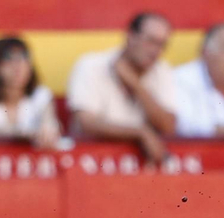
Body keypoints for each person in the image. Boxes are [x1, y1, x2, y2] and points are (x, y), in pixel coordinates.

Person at [67, 11, 177, 162]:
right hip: (92, 161)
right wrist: (140, 133)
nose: (155, 51)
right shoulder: (91, 65)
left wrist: (134, 84)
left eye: (162, 45)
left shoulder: (162, 70)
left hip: (139, 166)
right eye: (150, 41)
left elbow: (168, 126)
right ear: (130, 36)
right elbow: (86, 123)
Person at [0, 36, 61, 150]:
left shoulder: (41, 95)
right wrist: (29, 134)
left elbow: (50, 124)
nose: (18, 66)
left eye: (24, 57)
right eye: (8, 58)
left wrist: (49, 130)